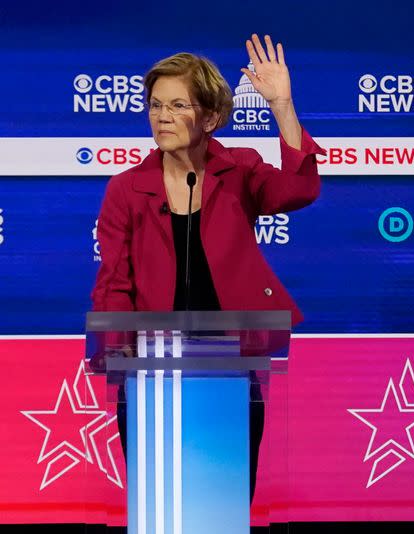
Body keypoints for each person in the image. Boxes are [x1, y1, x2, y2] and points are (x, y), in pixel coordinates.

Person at [91, 34, 324, 501]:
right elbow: (115, 284)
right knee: (159, 501)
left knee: (225, 498)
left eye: (178, 105)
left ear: (211, 117)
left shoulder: (240, 170)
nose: (162, 116)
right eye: (155, 105)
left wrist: (282, 107)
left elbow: (299, 192)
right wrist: (121, 362)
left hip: (231, 364)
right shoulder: (125, 188)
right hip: (150, 372)